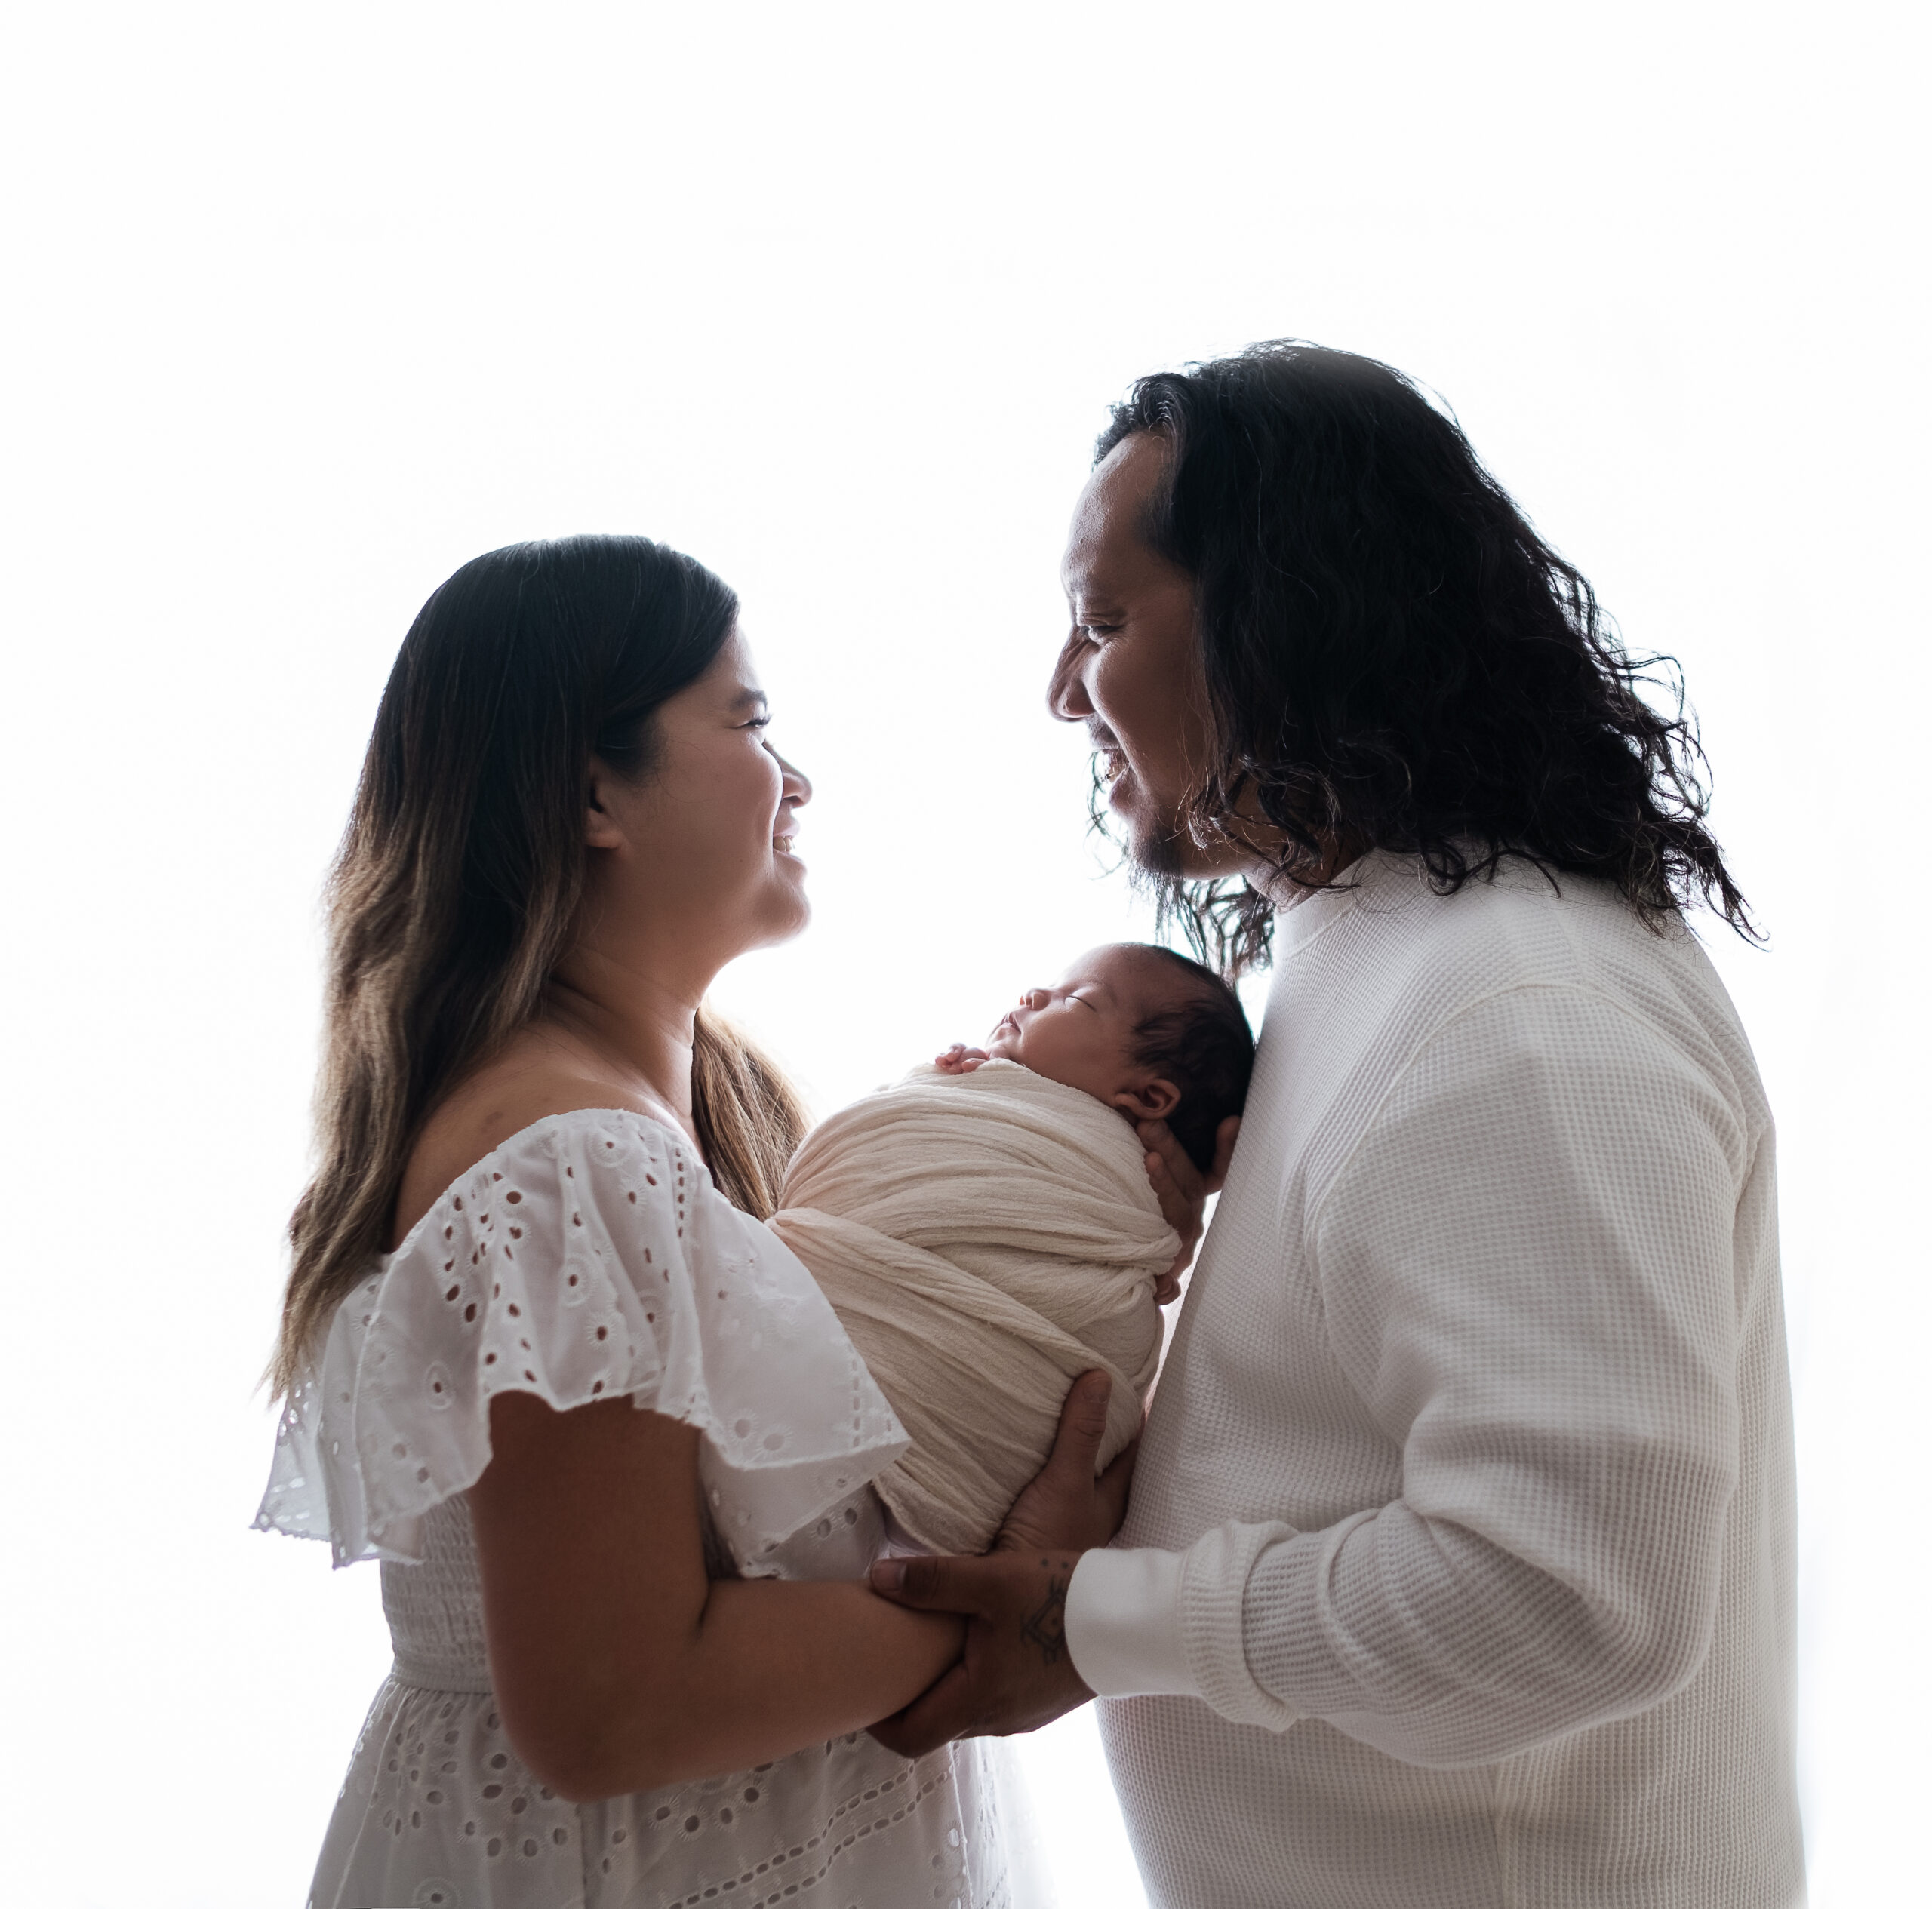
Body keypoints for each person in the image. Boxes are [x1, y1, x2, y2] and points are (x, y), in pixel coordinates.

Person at [868, 343, 1804, 1907]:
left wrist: (1097, 1618)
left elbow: (1572, 1596)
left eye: (1102, 621)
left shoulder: (1512, 1002)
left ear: (1281, 611)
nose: (1058, 687)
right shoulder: (1366, 934)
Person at [253, 535, 1140, 1908]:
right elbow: (612, 1704)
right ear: (594, 789)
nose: (796, 778)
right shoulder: (566, 1160)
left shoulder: (654, 1126)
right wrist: (1023, 1610)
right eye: (748, 719)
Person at [771, 942, 1254, 1555]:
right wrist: (943, 1091)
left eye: (1075, 999)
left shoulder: (1117, 1181)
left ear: (1150, 1099)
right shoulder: (988, 1099)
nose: (1031, 996)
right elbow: (873, 1165)